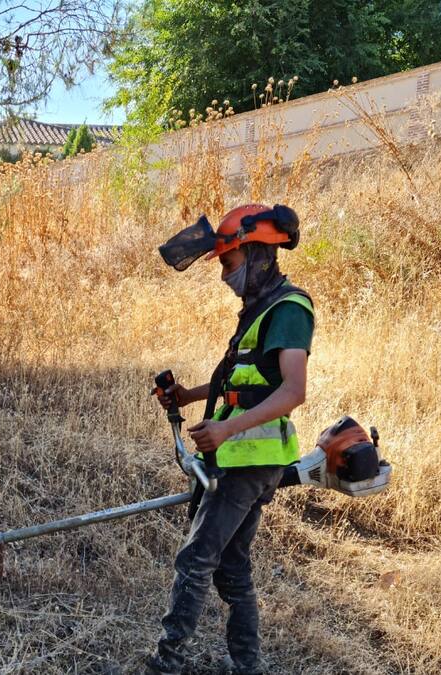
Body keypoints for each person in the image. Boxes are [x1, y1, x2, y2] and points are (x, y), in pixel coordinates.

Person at [146, 203, 314, 675]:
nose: (224, 276)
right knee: (231, 567)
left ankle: (165, 664)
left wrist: (225, 429)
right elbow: (245, 380)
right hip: (242, 456)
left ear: (258, 254)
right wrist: (190, 395)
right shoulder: (260, 309)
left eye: (229, 263)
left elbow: (293, 391)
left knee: (196, 559)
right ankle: (247, 666)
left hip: (249, 460)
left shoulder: (288, 310)